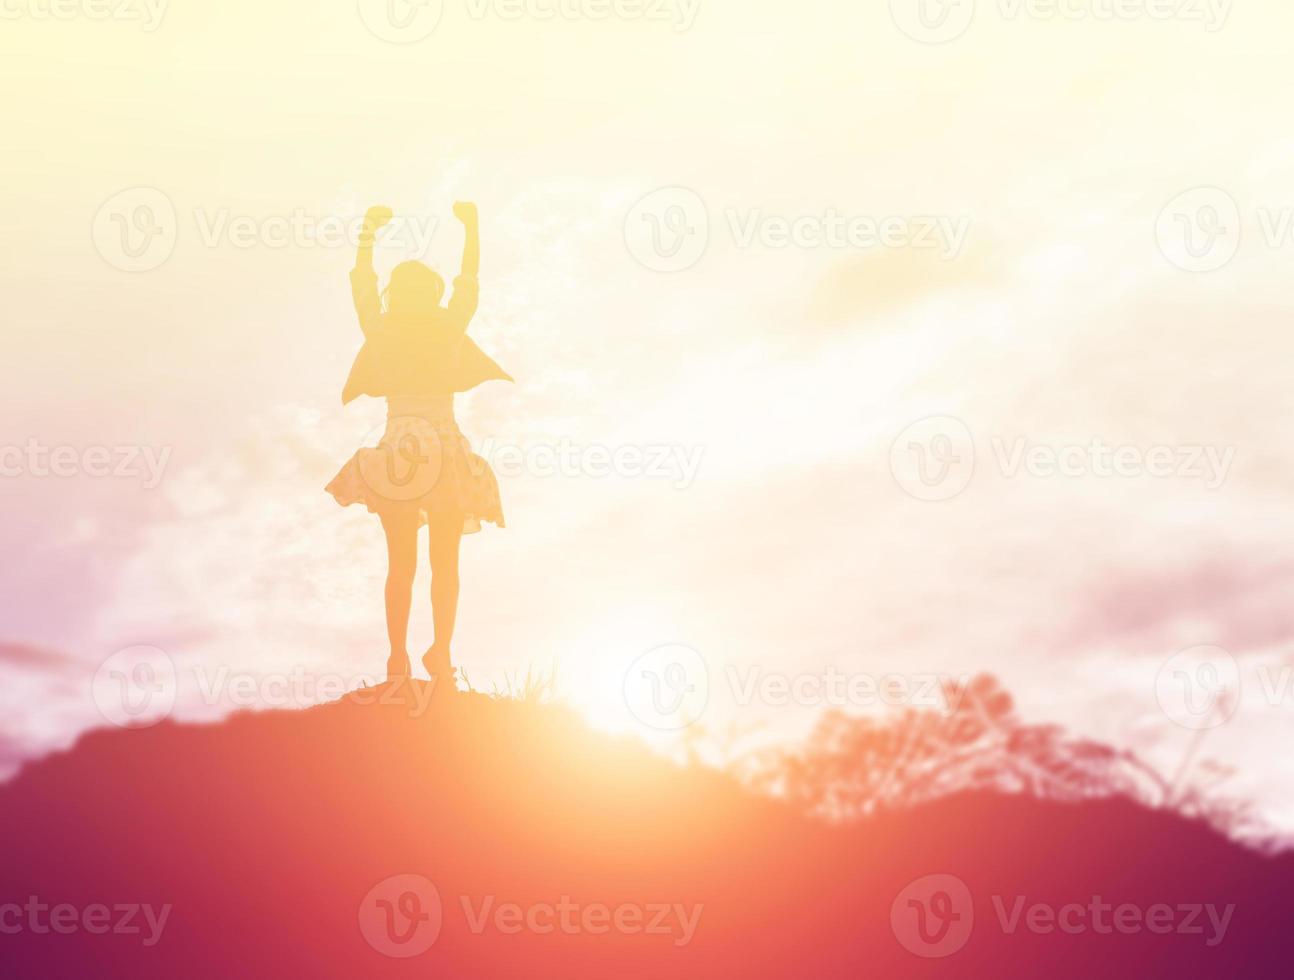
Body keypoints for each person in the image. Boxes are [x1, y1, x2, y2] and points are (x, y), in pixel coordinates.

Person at [325, 201, 511, 685]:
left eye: (421, 289)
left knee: (442, 562)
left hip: (436, 450)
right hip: (403, 452)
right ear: (400, 296)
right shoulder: (385, 328)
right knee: (403, 563)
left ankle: (438, 655)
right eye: (407, 289)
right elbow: (362, 285)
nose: (414, 296)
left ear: (430, 295)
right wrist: (366, 232)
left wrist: (472, 229)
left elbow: (467, 284)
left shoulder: (436, 327)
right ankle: (398, 658)